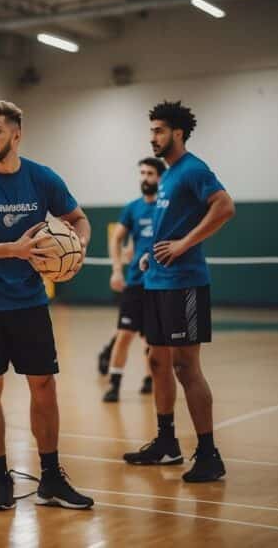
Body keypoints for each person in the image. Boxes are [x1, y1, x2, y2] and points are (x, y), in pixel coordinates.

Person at [0, 100, 94, 510]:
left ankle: (50, 478)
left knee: (44, 386)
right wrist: (10, 248)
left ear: (16, 134)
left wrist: (75, 249)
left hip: (30, 303)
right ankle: (1, 479)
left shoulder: (42, 178)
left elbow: (79, 220)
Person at [123, 101, 235, 483]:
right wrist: (147, 258)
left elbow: (224, 207)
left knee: (186, 367)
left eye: (158, 130)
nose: (152, 137)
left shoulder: (193, 169)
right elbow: (165, 229)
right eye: (151, 130)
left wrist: (184, 244)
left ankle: (208, 454)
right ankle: (166, 443)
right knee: (157, 363)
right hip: (157, 281)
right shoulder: (168, 176)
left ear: (178, 133)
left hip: (185, 283)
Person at [102, 158, 165, 402]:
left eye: (149, 173)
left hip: (160, 283)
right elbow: (116, 239)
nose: (144, 178)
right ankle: (114, 384)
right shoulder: (132, 208)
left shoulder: (165, 207)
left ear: (160, 177)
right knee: (124, 333)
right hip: (136, 282)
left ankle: (151, 378)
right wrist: (117, 269)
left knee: (153, 338)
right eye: (142, 173)